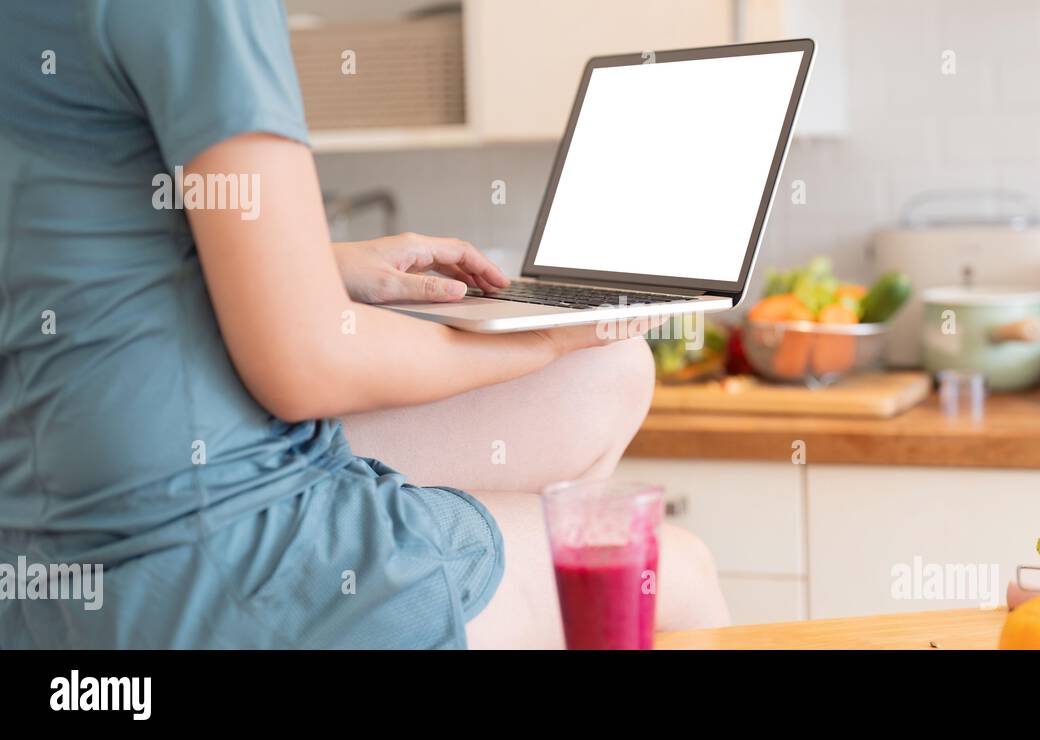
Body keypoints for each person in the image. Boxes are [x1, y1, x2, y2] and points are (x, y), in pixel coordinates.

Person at [0, 0, 728, 649]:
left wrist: (311, 264)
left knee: (607, 372)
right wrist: (545, 333)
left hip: (40, 524)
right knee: (677, 571)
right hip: (191, 555)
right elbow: (307, 363)